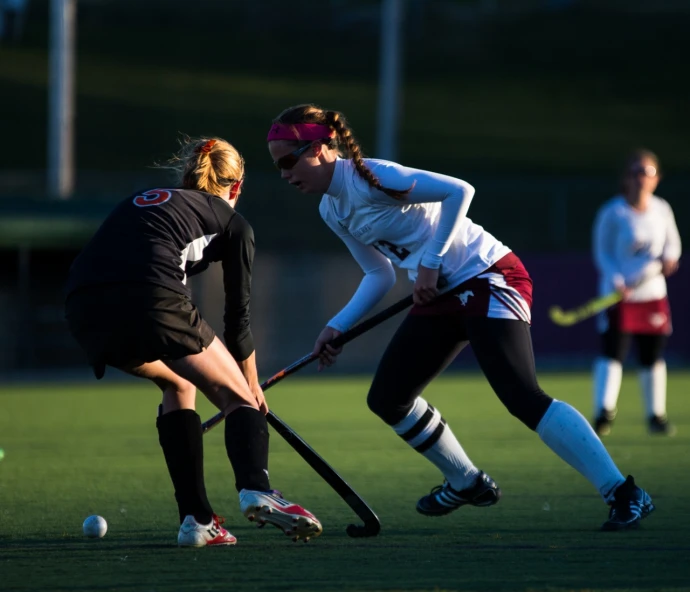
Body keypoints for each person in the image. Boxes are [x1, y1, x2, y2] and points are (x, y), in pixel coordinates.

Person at [267, 104, 655, 531]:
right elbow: (378, 273)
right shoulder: (331, 209)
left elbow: (460, 191)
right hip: (442, 292)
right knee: (388, 398)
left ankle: (623, 492)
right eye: (278, 166)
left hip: (488, 276)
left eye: (289, 161)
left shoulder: (373, 178)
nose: (285, 174)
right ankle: (467, 481)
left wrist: (431, 261)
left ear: (320, 149)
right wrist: (338, 326)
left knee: (521, 395)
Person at [64, 136, 322, 547]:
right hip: (152, 300)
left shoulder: (147, 199)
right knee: (237, 397)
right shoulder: (234, 223)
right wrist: (250, 387)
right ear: (236, 187)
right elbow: (237, 320)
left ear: (187, 176)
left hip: (83, 310)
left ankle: (198, 521)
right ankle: (258, 489)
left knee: (178, 383)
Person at [591, 149, 682, 437]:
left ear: (657, 179)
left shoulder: (662, 209)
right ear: (627, 178)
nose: (642, 178)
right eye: (637, 172)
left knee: (652, 356)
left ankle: (656, 415)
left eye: (649, 172)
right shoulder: (612, 212)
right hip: (620, 296)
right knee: (613, 352)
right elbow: (602, 252)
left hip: (652, 294)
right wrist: (617, 280)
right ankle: (604, 412)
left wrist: (670, 258)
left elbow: (673, 245)